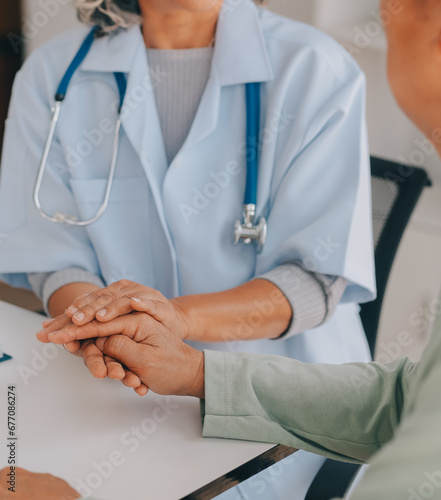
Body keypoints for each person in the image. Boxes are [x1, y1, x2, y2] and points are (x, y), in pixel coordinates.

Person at [36, 1, 441, 497]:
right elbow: (51, 254)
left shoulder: (316, 67)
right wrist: (101, 325)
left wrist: (169, 319)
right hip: (116, 379)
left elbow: (314, 279)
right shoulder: (52, 73)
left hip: (289, 406)